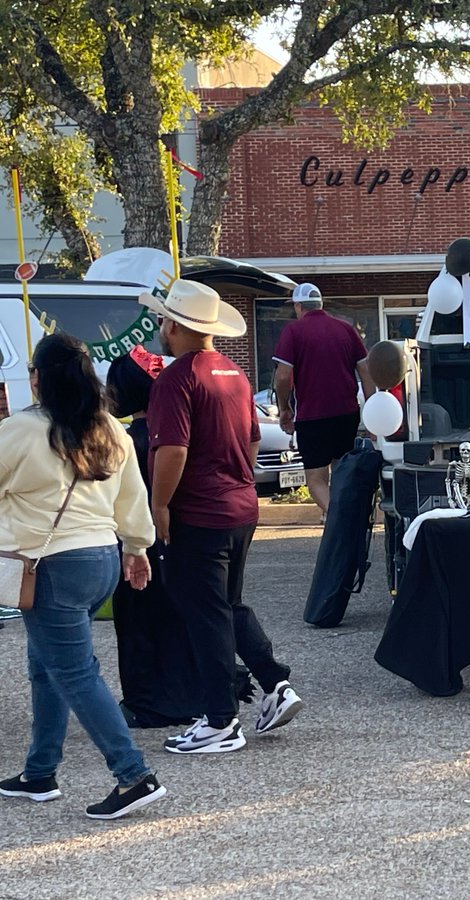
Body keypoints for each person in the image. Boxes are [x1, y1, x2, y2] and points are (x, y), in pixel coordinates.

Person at [0, 333, 165, 819]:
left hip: (48, 566)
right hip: (103, 560)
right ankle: (39, 771)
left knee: (74, 672)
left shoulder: (20, 430)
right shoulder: (112, 430)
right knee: (46, 662)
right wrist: (138, 548)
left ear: (37, 378)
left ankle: (133, 775)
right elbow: (132, 498)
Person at [144, 280, 303, 754]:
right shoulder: (233, 373)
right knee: (227, 605)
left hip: (199, 510)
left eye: (162, 320)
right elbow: (253, 440)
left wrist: (158, 505)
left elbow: (172, 449)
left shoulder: (176, 379)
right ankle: (275, 683)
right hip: (240, 504)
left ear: (174, 324)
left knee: (206, 613)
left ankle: (220, 720)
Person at [105, 349, 254, 727]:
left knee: (143, 625)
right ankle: (208, 692)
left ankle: (152, 701)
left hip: (142, 540)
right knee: (199, 616)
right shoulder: (182, 423)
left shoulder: (127, 442)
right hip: (185, 533)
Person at [273, 283, 376, 517]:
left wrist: (284, 407)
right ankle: (340, 516)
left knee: (316, 479)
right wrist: (371, 408)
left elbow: (282, 376)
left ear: (299, 306)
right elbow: (366, 369)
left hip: (312, 416)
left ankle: (338, 518)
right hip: (347, 413)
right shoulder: (345, 329)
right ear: (321, 304)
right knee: (341, 471)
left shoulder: (293, 331)